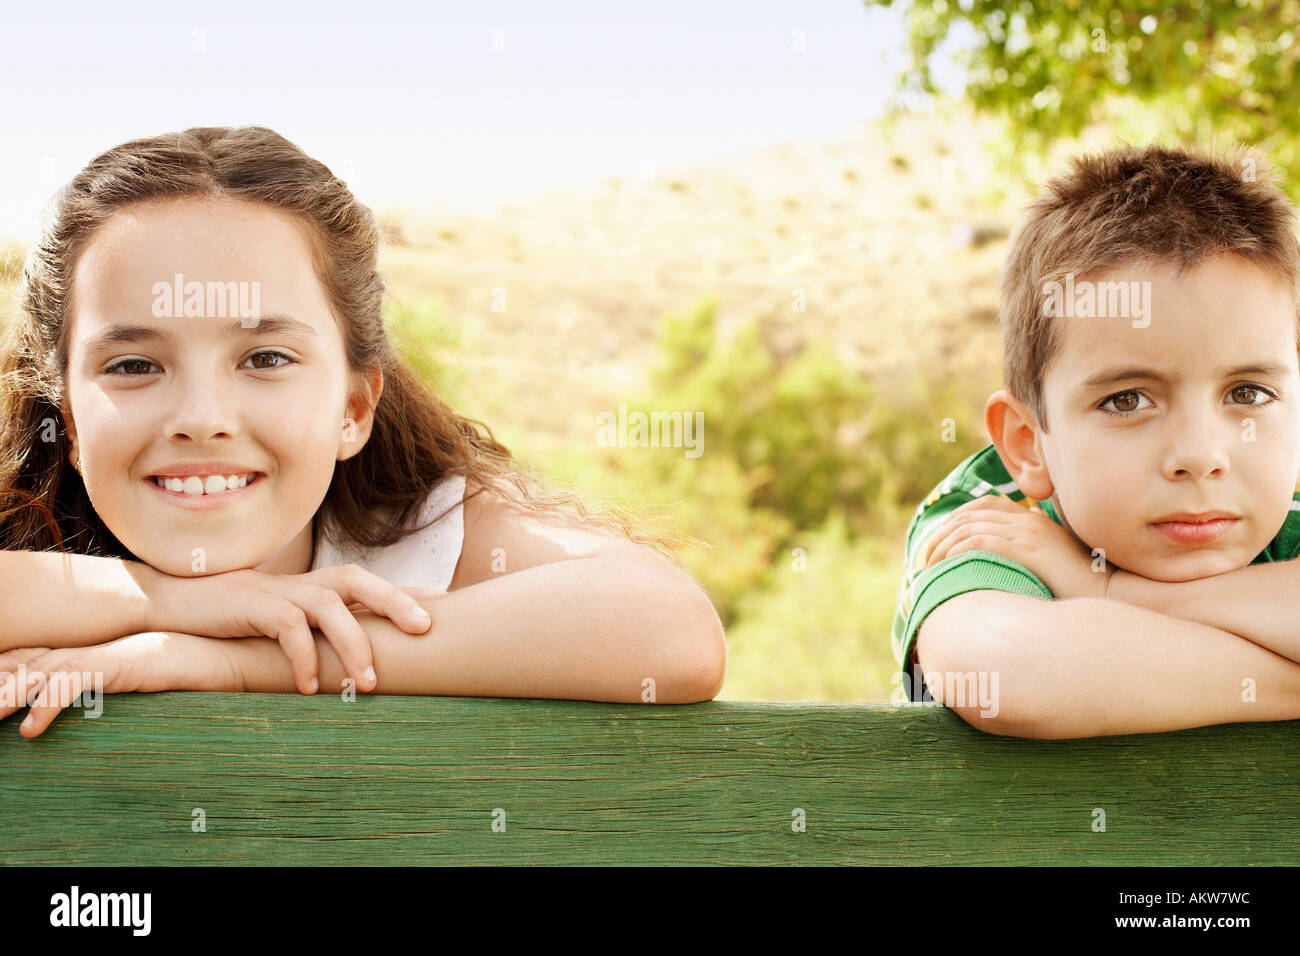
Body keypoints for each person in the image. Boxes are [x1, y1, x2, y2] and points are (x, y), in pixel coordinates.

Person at [0, 126, 725, 738]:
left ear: (354, 407)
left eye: (265, 358)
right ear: (65, 411)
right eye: (133, 365)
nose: (201, 420)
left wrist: (237, 659)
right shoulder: (28, 549)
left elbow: (671, 630)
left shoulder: (418, 532)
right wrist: (167, 600)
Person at [891, 142, 1300, 738]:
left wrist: (1103, 586)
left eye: (1249, 394)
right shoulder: (994, 521)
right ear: (1029, 444)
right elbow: (1008, 671)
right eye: (1127, 400)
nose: (1200, 456)